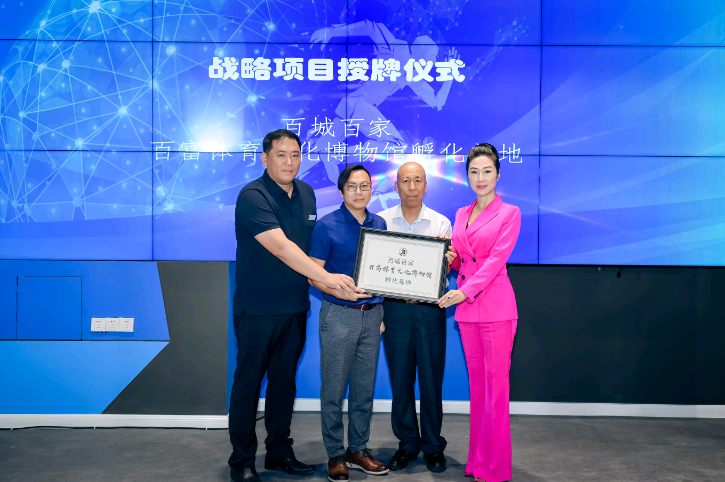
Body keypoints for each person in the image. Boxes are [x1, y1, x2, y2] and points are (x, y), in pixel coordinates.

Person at [229, 129, 362, 482]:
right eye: (281, 155)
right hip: (257, 310)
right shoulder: (252, 196)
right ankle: (241, 460)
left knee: (284, 385)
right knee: (248, 385)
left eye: (295, 155)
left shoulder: (306, 193)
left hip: (295, 307)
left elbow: (310, 255)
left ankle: (278, 452)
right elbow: (282, 248)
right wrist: (330, 279)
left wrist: (329, 283)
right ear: (265, 159)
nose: (289, 162)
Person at [438, 143, 521, 482]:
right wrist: (449, 259)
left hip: (495, 307)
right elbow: (464, 260)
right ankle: (477, 462)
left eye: (487, 171)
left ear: (498, 175)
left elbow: (494, 262)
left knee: (496, 391)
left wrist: (464, 291)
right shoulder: (461, 213)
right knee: (479, 390)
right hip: (468, 311)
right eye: (474, 172)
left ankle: (495, 468)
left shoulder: (510, 213)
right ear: (467, 176)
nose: (480, 177)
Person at [308, 165, 389, 482]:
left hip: (373, 315)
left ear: (371, 190)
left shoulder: (379, 223)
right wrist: (338, 290)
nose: (359, 191)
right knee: (333, 389)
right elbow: (313, 275)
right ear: (342, 191)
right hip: (339, 315)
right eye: (353, 186)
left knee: (363, 390)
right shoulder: (326, 226)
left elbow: (385, 272)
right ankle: (335, 454)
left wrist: (379, 311)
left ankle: (358, 450)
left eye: (365, 186)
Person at [377, 162, 453, 472]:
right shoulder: (381, 221)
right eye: (405, 181)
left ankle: (433, 446)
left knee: (432, 380)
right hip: (394, 309)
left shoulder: (441, 223)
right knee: (401, 380)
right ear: (396, 186)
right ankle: (407, 443)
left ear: (425, 186)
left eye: (417, 180)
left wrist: (447, 261)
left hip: (429, 310)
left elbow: (443, 272)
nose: (411, 187)